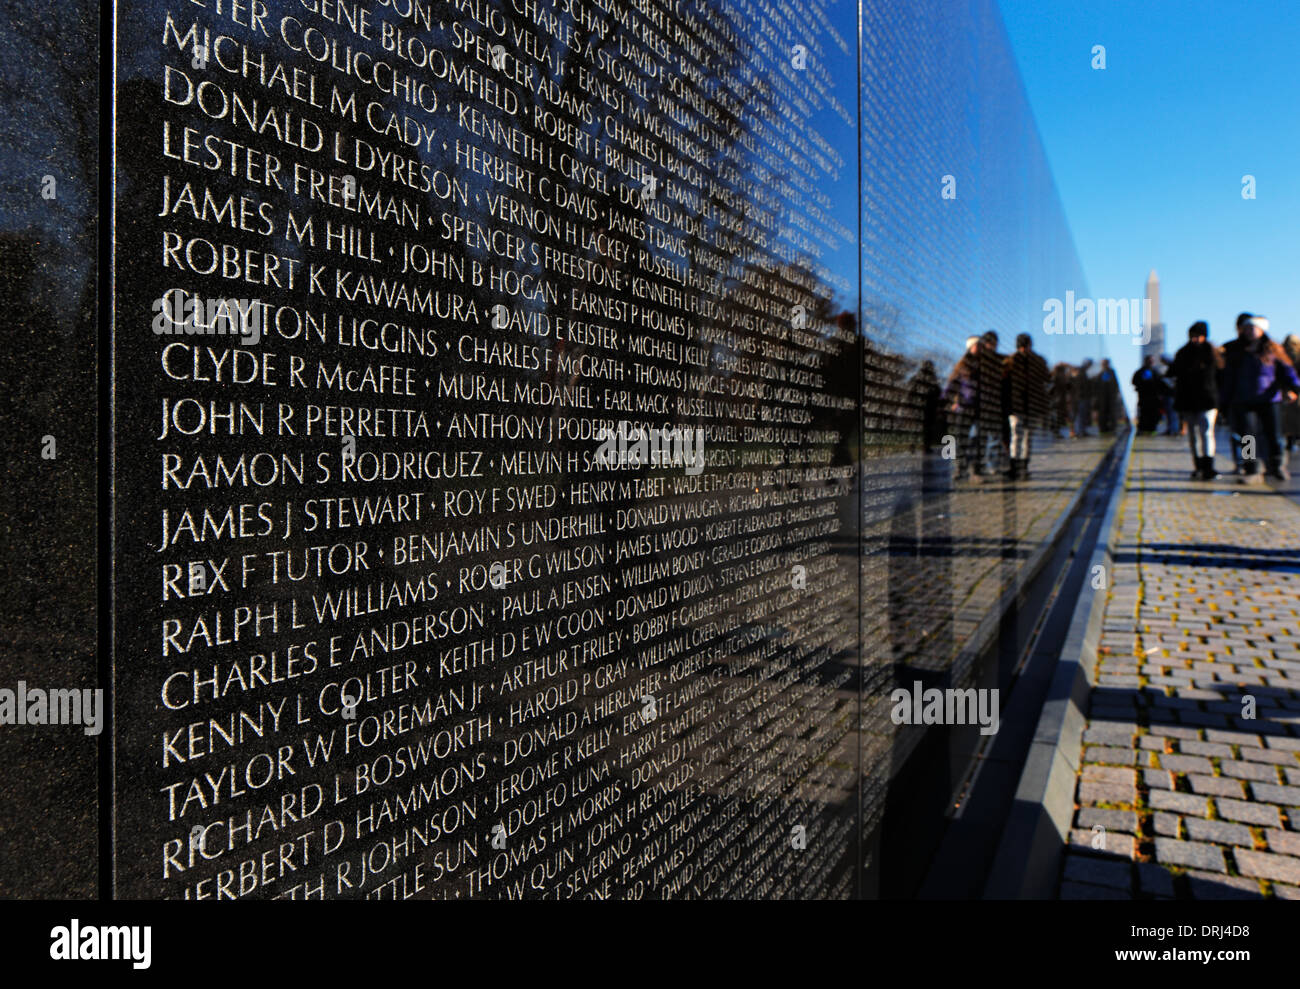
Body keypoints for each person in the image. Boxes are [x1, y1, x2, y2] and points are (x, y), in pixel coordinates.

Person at [1219, 315, 1300, 483]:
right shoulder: (1236, 350)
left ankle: (1277, 465)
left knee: (1274, 434)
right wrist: (1225, 401)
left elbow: (1287, 372)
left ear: (1262, 330)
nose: (1249, 331)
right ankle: (1251, 469)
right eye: (1247, 328)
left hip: (1269, 399)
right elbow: (1228, 378)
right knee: (1248, 436)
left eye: (1253, 328)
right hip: (1243, 399)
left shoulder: (1272, 349)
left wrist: (1295, 387)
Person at [1170, 321, 1222, 480]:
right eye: (1193, 336)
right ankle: (1199, 465)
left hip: (1208, 400)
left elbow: (1221, 376)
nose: (1195, 339)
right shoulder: (1183, 353)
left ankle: (1209, 466)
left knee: (1207, 433)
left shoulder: (1213, 354)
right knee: (1193, 435)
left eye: (1198, 336)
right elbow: (1173, 373)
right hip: (1189, 401)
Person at [1001, 332, 1051, 480]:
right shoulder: (1010, 362)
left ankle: (1023, 467)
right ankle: (1014, 466)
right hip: (1016, 405)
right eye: (1021, 347)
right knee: (1017, 435)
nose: (1023, 350)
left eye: (1025, 346)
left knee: (1026, 437)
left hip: (1030, 405)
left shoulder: (1037, 362)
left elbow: (1047, 380)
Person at [944, 336, 984, 482]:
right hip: (965, 406)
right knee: (961, 439)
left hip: (981, 407)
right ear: (970, 347)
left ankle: (976, 470)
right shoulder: (962, 366)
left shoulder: (986, 366)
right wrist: (945, 401)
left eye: (981, 345)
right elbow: (952, 384)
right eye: (977, 345)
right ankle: (961, 469)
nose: (980, 348)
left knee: (979, 440)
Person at [1131, 356, 1167, 434]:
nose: (1151, 362)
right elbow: (1134, 381)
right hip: (1144, 397)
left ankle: (1151, 429)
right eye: (1149, 361)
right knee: (1144, 414)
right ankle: (1143, 429)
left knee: (1153, 414)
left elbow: (1160, 383)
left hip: (1153, 398)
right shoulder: (1140, 372)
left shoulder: (1155, 371)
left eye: (1151, 361)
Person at [1283, 334, 1300, 453]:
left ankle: (1290, 441)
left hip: (1287, 390)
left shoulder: (1282, 354)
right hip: (1295, 389)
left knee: (1288, 419)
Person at [1096, 359, 1120, 432]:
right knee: (1103, 414)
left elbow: (1116, 384)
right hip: (1102, 398)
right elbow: (1097, 386)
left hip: (1111, 397)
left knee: (1112, 413)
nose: (1104, 365)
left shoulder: (1112, 372)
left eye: (1105, 363)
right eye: (1103, 363)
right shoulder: (1100, 373)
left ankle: (1112, 428)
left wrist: (1115, 394)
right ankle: (1103, 429)